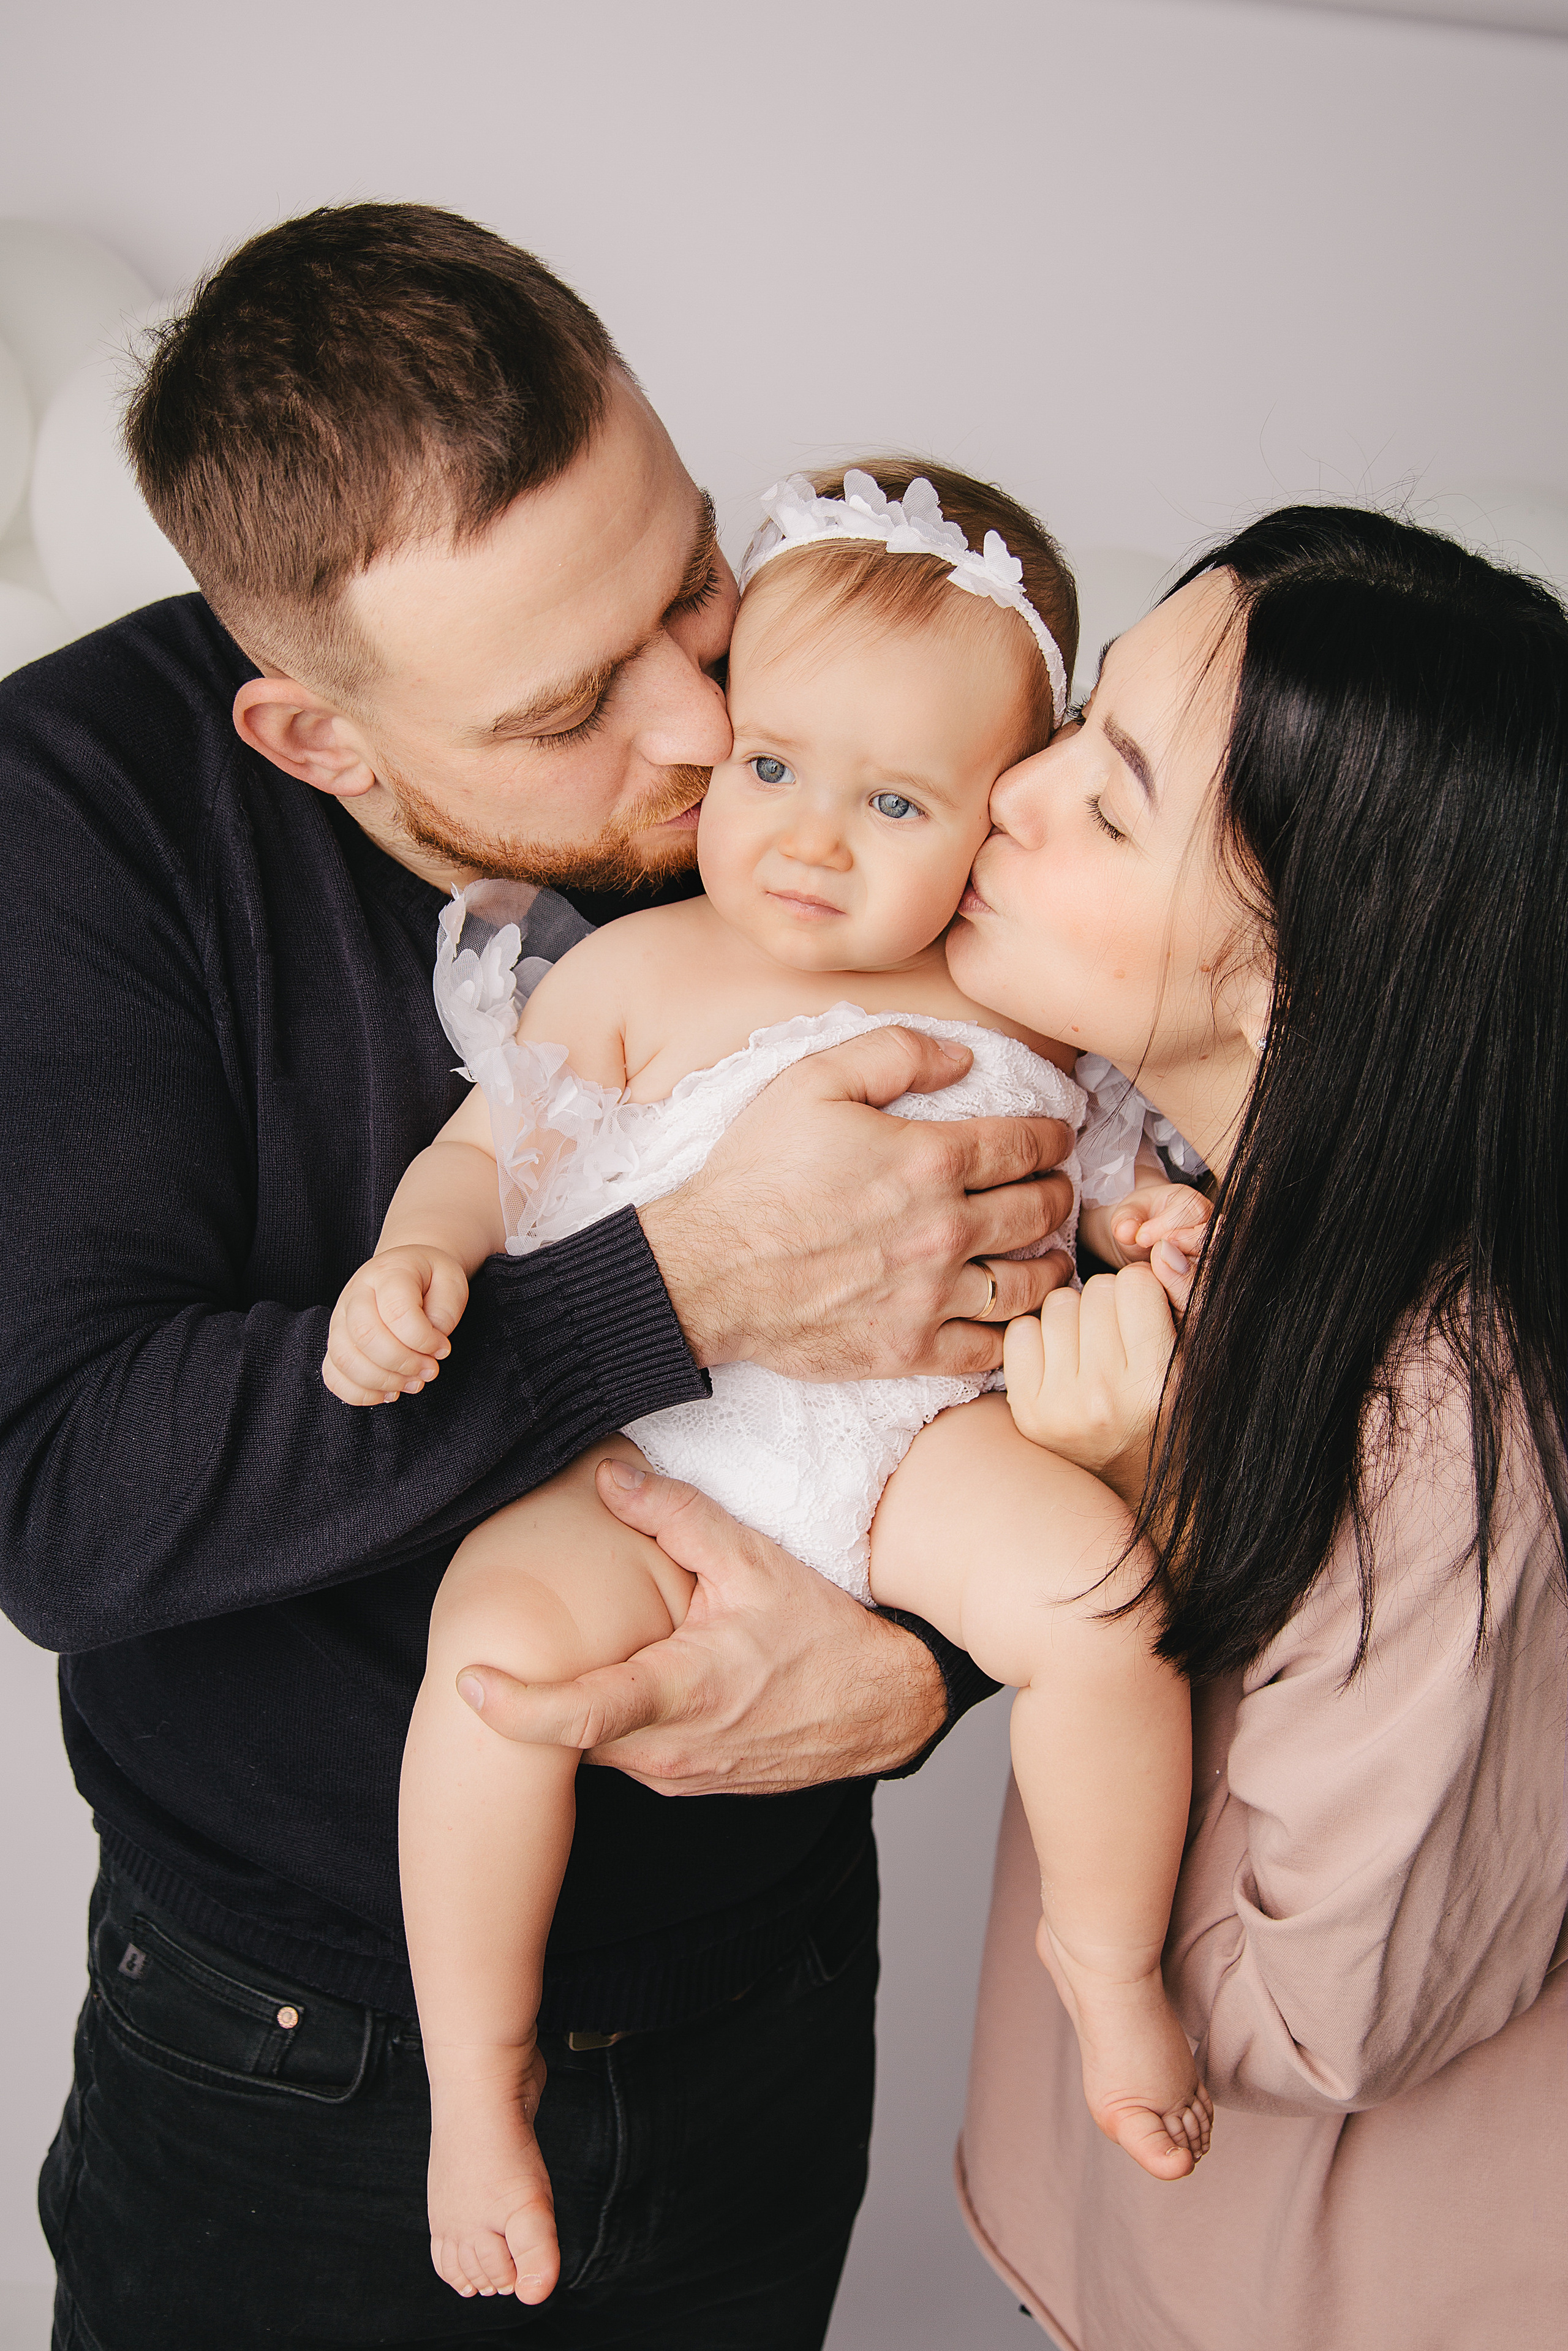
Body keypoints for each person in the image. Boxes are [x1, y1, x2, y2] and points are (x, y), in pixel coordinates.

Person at [0, 204, 1085, 2350]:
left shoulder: (847, 712)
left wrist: (936, 1670)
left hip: (771, 1991)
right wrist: (681, 1284)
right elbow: (64, 1499)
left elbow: (1095, 1292)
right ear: (316, 740)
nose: (701, 729)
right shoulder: (71, 826)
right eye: (575, 705)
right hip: (299, 2062)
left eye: (687, 581)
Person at [472, 505, 1567, 2347]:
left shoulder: (1452, 1417)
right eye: (1079, 719)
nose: (1015, 793)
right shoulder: (1176, 1192)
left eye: (1112, 803)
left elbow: (1323, 2015)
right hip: (1127, 2250)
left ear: (1308, 968)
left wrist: (1150, 1508)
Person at [325, 459, 1214, 2300]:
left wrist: (1159, 1237)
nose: (810, 839)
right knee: (491, 1674)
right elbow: (486, 1159)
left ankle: (1111, 1970)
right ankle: (476, 2085)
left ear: (999, 813)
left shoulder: (1035, 1007)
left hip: (911, 1449)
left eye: (893, 802)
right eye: (772, 766)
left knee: (1104, 1608)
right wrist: (418, 1258)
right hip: (651, 1456)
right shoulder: (635, 970)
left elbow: (1115, 1183)